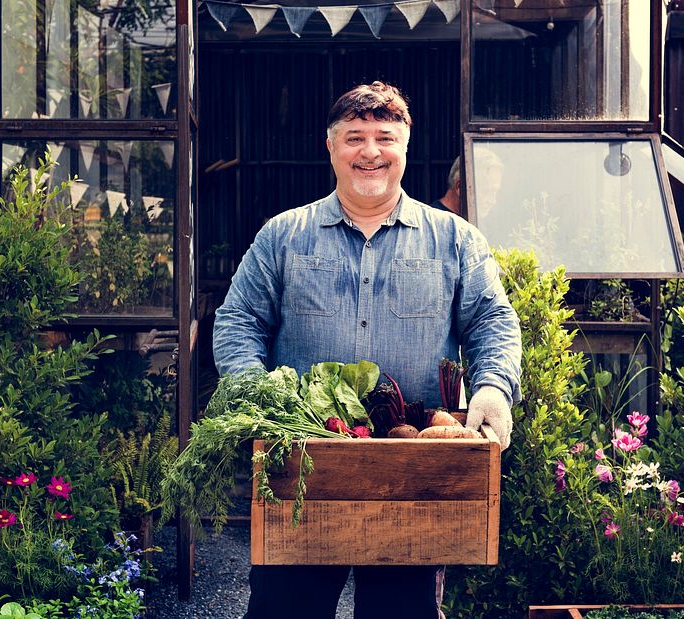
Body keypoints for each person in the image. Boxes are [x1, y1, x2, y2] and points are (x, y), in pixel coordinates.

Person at [213, 81, 522, 619]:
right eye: (355, 137)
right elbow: (239, 320)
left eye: (385, 137)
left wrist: (494, 389)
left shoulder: (454, 240)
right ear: (330, 146)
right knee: (285, 610)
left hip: (415, 468)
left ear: (405, 147)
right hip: (304, 460)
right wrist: (254, 393)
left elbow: (493, 320)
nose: (370, 152)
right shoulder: (283, 236)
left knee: (402, 611)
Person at [432, 150, 504, 219]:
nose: (493, 201)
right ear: (460, 187)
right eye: (486, 191)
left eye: (495, 192)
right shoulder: (433, 223)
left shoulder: (480, 220)